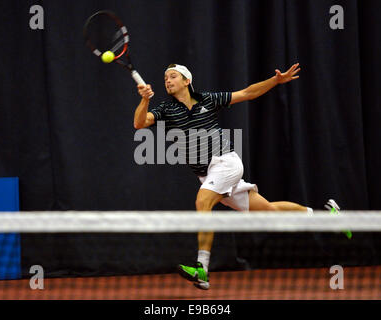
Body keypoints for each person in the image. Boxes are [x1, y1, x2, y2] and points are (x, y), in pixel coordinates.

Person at [133, 63, 350, 290]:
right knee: (269, 211)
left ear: (187, 81)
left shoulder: (208, 99)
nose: (167, 80)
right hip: (208, 175)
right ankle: (328, 216)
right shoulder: (167, 109)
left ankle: (202, 268)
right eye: (166, 78)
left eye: (173, 76)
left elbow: (247, 93)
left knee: (202, 201)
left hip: (226, 162)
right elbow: (139, 123)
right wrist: (145, 99)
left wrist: (275, 80)